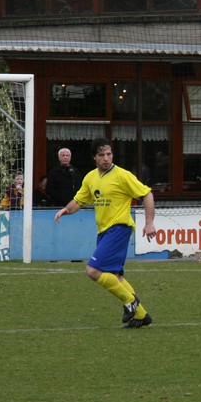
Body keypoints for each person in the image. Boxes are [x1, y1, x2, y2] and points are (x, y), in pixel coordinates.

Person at [54, 137, 157, 328]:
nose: (106, 158)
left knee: (93, 271)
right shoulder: (90, 177)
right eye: (101, 155)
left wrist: (149, 223)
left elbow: (147, 194)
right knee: (114, 276)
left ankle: (131, 302)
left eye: (109, 154)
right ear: (94, 157)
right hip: (104, 231)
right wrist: (66, 210)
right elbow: (79, 201)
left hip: (119, 228)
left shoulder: (122, 176)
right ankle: (141, 315)